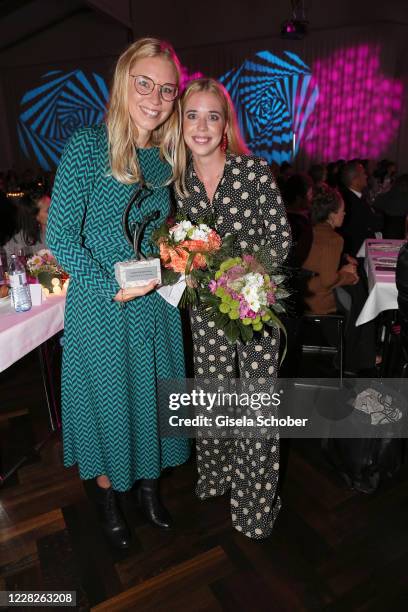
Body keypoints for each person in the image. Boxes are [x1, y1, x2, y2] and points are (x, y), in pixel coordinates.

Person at [47, 38, 190, 549]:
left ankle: (149, 490)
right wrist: (112, 285)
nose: (155, 99)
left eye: (167, 90)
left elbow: (163, 232)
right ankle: (110, 502)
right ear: (123, 82)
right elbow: (60, 236)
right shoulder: (87, 146)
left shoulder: (166, 158)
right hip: (103, 305)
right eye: (144, 84)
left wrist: (183, 256)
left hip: (156, 307)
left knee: (152, 399)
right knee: (111, 404)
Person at [174, 78, 291, 539]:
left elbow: (281, 238)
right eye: (192, 115)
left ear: (226, 125)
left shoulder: (253, 171)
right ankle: (218, 477)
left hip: (255, 309)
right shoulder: (175, 180)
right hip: (204, 314)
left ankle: (254, 505)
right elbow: (172, 244)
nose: (202, 127)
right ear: (181, 122)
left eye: (213, 116)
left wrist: (249, 277)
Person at [302, 189, 358, 314]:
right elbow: (328, 280)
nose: (344, 213)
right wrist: (349, 275)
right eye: (342, 210)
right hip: (318, 302)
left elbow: (317, 259)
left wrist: (344, 258)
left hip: (300, 296)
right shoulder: (334, 239)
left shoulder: (311, 230)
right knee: (358, 299)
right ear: (332, 215)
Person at [3, 190, 50, 259]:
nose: (56, 210)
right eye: (48, 210)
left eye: (55, 206)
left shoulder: (65, 231)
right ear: (35, 217)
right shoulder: (19, 241)